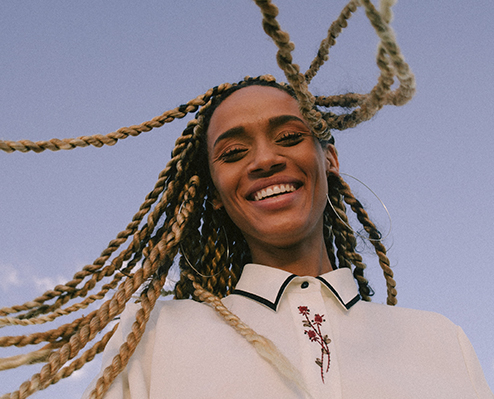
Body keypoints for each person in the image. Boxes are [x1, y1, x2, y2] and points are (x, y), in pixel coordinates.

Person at [1, 1, 492, 398]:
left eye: (290, 136)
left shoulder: (440, 341)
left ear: (330, 161)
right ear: (213, 192)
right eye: (234, 152)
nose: (264, 160)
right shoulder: (157, 337)